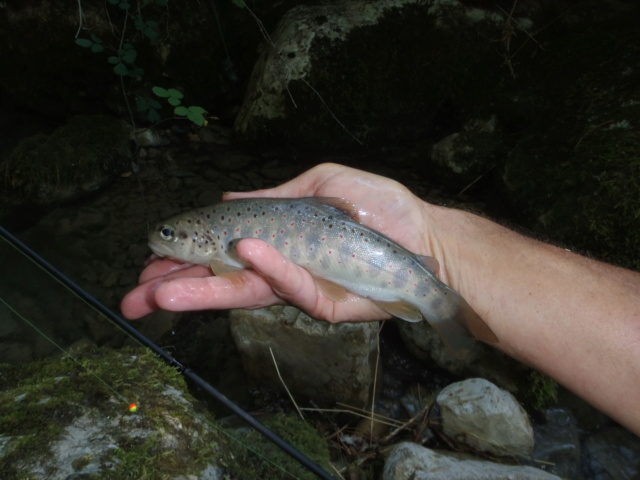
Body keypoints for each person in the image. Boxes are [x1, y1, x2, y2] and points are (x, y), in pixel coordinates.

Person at [121, 163, 640, 435]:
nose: (163, 239)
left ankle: (443, 307)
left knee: (432, 303)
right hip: (347, 243)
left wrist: (438, 256)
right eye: (169, 235)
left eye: (169, 236)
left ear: (199, 239)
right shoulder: (215, 239)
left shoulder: (218, 239)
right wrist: (443, 249)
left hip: (364, 251)